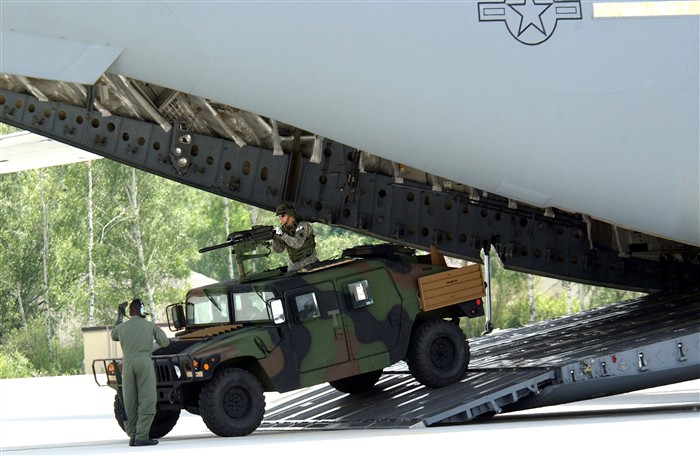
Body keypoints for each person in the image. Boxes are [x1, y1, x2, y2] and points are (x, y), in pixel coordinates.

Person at [111, 299, 170, 447]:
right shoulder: (149, 326)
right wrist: (156, 329)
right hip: (144, 362)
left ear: (130, 312)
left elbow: (113, 335)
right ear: (141, 310)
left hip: (127, 363)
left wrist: (119, 316)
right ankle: (142, 436)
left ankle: (133, 435)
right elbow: (165, 343)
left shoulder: (122, 327)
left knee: (130, 400)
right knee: (148, 400)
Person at [271, 203, 318, 272]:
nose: (280, 219)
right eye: (279, 217)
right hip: (294, 265)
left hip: (309, 262)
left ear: (290, 214)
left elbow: (298, 244)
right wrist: (274, 238)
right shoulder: (283, 230)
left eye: (282, 216)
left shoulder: (302, 225)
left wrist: (282, 235)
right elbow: (279, 250)